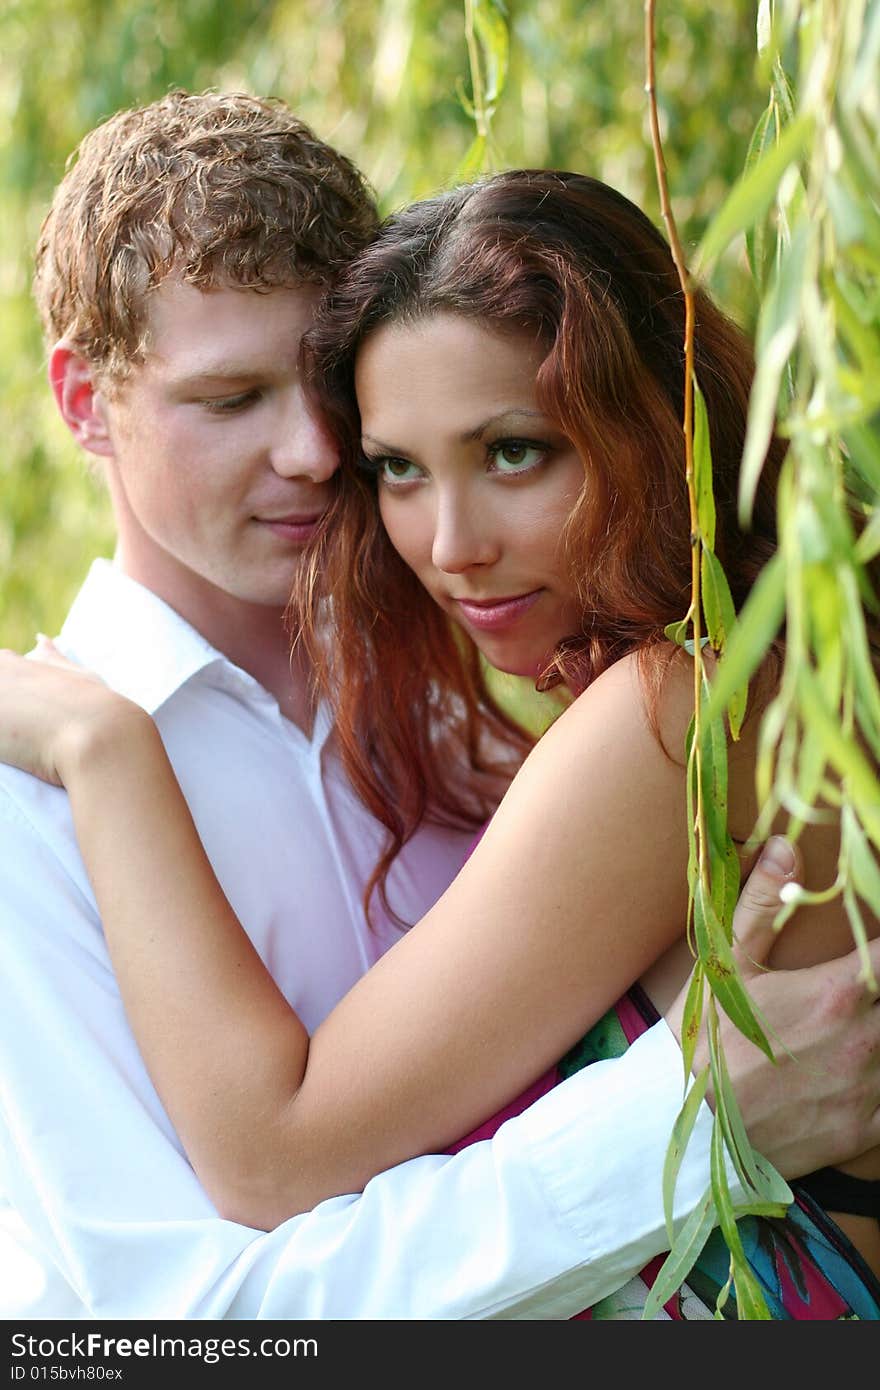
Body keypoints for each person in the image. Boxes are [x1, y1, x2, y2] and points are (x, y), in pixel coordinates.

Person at [2, 148, 879, 1321]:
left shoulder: (653, 714)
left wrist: (111, 758)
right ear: (78, 402)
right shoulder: (33, 810)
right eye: (398, 466)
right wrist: (669, 1113)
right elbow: (169, 1330)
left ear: (651, 419)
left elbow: (275, 1152)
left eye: (514, 449)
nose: (448, 539)